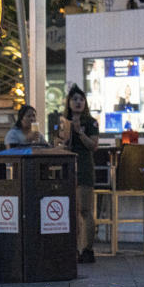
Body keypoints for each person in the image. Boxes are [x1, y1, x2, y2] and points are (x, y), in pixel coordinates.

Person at [56, 84, 100, 263]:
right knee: (70, 211)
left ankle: (87, 249)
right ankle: (72, 248)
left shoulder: (90, 122)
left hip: (83, 168)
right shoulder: (63, 120)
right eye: (74, 99)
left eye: (81, 99)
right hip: (66, 168)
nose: (78, 102)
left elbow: (93, 146)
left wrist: (80, 133)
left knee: (85, 209)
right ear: (69, 102)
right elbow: (57, 142)